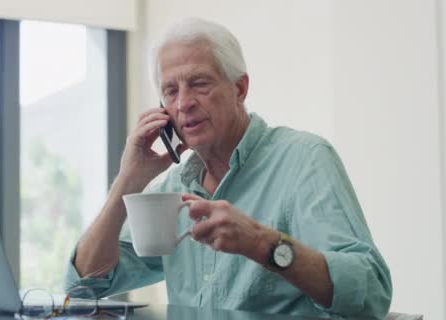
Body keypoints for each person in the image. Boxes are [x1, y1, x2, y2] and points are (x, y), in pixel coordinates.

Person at [64, 17, 392, 320]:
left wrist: (263, 244)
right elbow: (83, 286)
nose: (183, 103)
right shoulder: (172, 187)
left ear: (240, 89)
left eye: (199, 83)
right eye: (170, 90)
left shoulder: (305, 160)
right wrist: (128, 180)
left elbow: (372, 292)